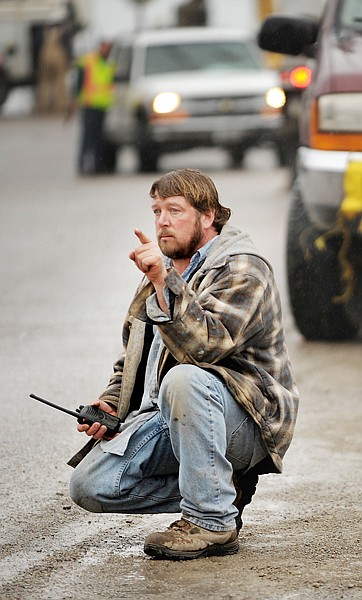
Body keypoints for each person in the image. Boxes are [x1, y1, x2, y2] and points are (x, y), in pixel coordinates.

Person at [69, 168, 299, 561]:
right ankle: (222, 491)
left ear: (208, 216)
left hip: (246, 420)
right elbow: (135, 356)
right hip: (176, 418)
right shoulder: (161, 276)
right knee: (90, 486)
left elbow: (205, 348)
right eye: (157, 210)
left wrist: (164, 283)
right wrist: (112, 403)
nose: (162, 221)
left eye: (174, 210)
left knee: (184, 378)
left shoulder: (243, 268)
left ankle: (210, 521)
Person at [70, 40, 115, 175]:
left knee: (98, 138)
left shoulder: (110, 62)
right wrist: (75, 100)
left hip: (103, 106)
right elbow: (79, 83)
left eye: (109, 46)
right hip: (89, 105)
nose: (106, 49)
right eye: (105, 45)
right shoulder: (88, 60)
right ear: (100, 46)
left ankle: (97, 166)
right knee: (88, 137)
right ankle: (83, 166)